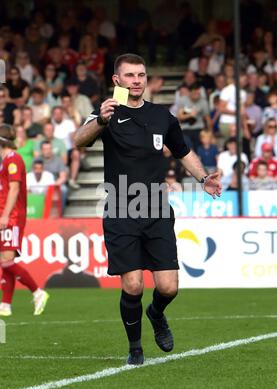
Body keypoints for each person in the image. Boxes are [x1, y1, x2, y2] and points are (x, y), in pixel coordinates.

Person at [73, 53, 222, 365]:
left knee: (168, 287)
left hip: (156, 209)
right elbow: (79, 141)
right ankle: (135, 348)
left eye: (140, 75)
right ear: (117, 80)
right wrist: (100, 119)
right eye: (129, 76)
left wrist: (203, 178)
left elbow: (183, 151)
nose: (136, 80)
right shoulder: (107, 112)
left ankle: (156, 313)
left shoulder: (162, 116)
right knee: (133, 284)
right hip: (120, 208)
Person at [0, 124, 49, 317]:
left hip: (12, 216)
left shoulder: (14, 159)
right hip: (6, 214)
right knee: (5, 260)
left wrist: (5, 215)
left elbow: (14, 189)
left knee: (7, 262)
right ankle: (5, 304)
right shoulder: (6, 161)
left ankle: (38, 292)